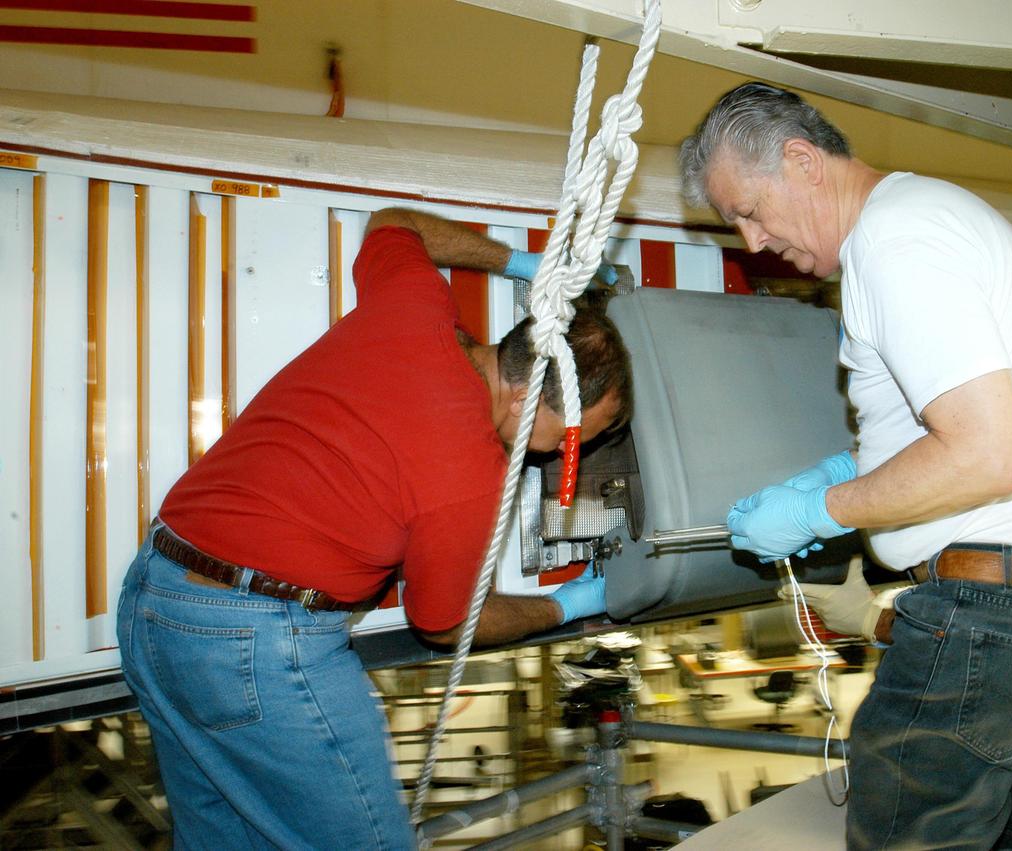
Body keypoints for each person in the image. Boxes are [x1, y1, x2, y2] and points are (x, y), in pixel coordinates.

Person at [680, 83, 1012, 849]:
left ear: (801, 161)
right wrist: (842, 471)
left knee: (903, 810)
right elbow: (962, 426)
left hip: (998, 605)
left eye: (749, 210)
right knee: (973, 797)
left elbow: (987, 456)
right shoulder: (915, 223)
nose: (754, 242)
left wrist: (822, 509)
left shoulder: (898, 243)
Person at [115, 207, 632, 850]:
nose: (559, 453)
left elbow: (390, 224)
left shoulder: (415, 305)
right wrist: (563, 605)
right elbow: (442, 623)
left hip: (154, 601)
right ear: (530, 402)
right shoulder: (468, 472)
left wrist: (519, 263)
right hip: (255, 644)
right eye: (579, 435)